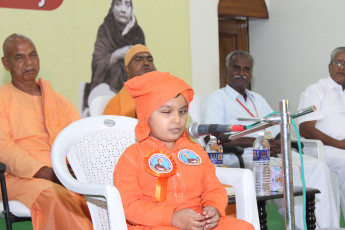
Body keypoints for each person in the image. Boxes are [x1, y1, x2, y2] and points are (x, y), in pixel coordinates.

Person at [203, 50, 339, 229]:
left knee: (316, 166)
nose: (241, 73)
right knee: (284, 172)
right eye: (236, 67)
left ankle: (329, 227)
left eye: (246, 69)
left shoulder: (257, 99)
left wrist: (279, 140)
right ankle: (300, 226)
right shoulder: (217, 99)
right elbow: (210, 137)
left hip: (272, 151)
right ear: (226, 70)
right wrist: (257, 143)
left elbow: (277, 126)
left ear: (251, 73)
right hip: (244, 156)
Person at [113, 71, 253, 229]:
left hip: (198, 220)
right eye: (166, 112)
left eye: (182, 111)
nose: (177, 119)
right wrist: (171, 217)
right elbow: (129, 206)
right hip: (153, 224)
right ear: (146, 116)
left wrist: (213, 207)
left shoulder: (196, 152)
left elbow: (214, 189)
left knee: (244, 227)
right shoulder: (132, 156)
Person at [0, 34, 92, 230]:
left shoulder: (58, 100)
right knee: (55, 196)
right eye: (19, 57)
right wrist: (45, 172)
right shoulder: (2, 99)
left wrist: (73, 170)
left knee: (102, 197)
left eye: (33, 55)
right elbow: (3, 148)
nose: (29, 62)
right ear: (5, 64)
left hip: (62, 174)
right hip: (18, 178)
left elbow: (80, 140)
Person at [297, 46, 345, 221]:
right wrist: (339, 143)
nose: (342, 66)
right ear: (329, 66)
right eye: (338, 62)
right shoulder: (316, 90)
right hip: (324, 149)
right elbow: (305, 128)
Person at [83, 0, 145, 115]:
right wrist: (116, 55)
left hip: (132, 91)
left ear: (132, 10)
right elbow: (97, 63)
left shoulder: (138, 33)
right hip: (106, 87)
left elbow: (144, 67)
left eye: (127, 5)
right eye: (118, 4)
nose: (123, 9)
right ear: (112, 8)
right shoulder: (104, 30)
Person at [103, 44, 155, 116]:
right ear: (127, 69)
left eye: (150, 60)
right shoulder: (116, 104)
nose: (146, 63)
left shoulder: (165, 95)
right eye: (138, 60)